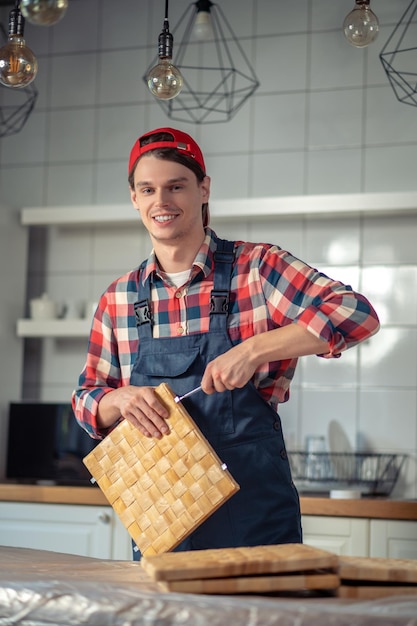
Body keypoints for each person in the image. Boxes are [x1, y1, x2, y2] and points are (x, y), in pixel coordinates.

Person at [72, 127, 380, 558]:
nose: (162, 201)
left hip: (254, 521)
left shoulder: (257, 268)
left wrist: (254, 349)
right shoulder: (118, 298)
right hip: (163, 523)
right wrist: (120, 400)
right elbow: (86, 398)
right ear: (135, 199)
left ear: (203, 189)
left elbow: (357, 313)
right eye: (148, 189)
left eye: (175, 186)